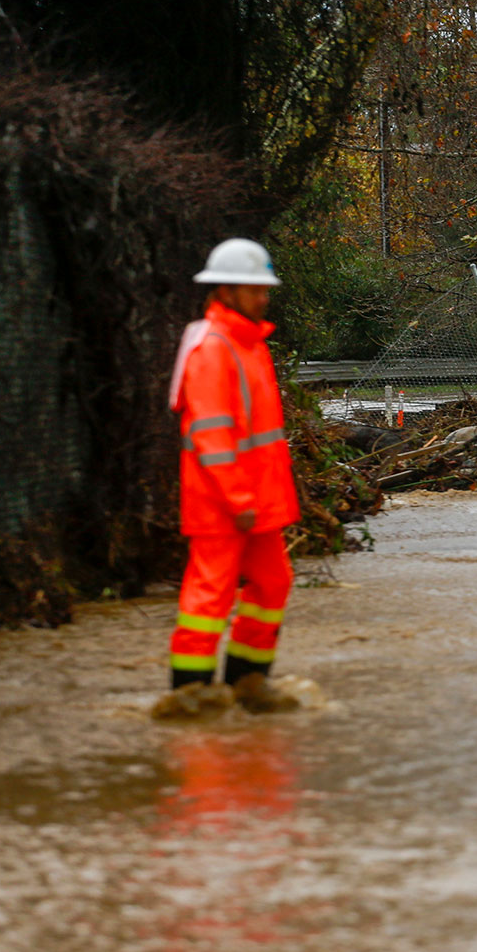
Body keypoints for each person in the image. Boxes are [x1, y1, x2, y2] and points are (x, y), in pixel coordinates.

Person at [166, 238, 299, 697]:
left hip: (257, 499)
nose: (264, 297)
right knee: (210, 596)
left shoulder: (249, 344)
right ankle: (191, 694)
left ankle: (247, 685)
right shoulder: (212, 348)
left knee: (273, 583)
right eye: (255, 288)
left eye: (266, 289)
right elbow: (212, 435)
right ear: (226, 290)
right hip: (224, 501)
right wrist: (238, 499)